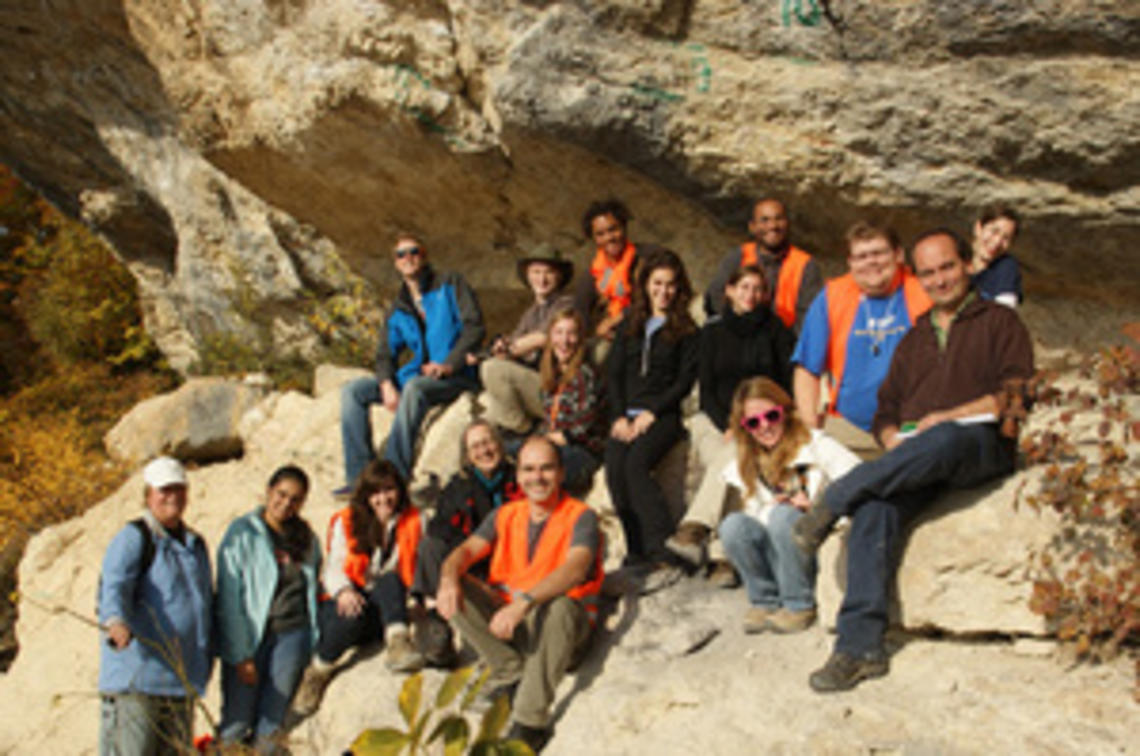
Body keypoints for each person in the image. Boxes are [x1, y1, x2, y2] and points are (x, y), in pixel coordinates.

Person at [793, 229, 1035, 692]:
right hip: (918, 457)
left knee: (943, 436)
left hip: (977, 445)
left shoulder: (998, 322)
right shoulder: (915, 337)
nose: (940, 280)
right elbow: (887, 411)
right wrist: (891, 439)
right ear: (918, 278)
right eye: (929, 273)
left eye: (947, 267)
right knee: (875, 508)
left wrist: (951, 416)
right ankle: (859, 647)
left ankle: (838, 495)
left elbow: (1016, 394)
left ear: (966, 265)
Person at [438, 436, 603, 753]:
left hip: (561, 631)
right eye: (528, 469)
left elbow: (576, 569)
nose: (537, 477)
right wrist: (448, 579)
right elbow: (464, 552)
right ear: (518, 475)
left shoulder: (581, 515)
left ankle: (530, 721)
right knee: (457, 584)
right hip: (517, 627)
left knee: (561, 607)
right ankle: (509, 671)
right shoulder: (506, 515)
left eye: (546, 469)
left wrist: (524, 604)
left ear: (561, 473)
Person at [666, 265, 796, 582]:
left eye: (757, 289)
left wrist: (752, 425)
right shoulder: (712, 332)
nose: (750, 295)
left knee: (739, 457)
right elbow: (707, 388)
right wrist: (729, 423)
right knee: (736, 460)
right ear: (730, 290)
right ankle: (724, 559)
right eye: (744, 287)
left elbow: (786, 384)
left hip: (760, 422)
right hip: (715, 420)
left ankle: (696, 528)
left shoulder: (775, 330)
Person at [339, 232, 485, 488]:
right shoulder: (399, 307)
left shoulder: (450, 284)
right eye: (401, 254)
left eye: (414, 252)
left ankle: (393, 475)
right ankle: (360, 478)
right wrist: (386, 383)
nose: (408, 258)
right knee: (353, 391)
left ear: (424, 256)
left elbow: (474, 327)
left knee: (416, 388)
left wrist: (450, 364)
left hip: (456, 376)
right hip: (418, 376)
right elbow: (385, 352)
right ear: (396, 263)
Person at [718, 377, 860, 634]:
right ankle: (765, 600)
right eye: (753, 422)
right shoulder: (749, 462)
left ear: (784, 411)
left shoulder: (816, 445)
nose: (764, 427)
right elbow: (755, 518)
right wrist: (769, 508)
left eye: (771, 416)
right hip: (779, 549)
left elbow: (858, 483)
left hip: (815, 542)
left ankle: (799, 604)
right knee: (732, 525)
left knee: (784, 517)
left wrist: (817, 510)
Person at [97, 457, 212, 756]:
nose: (172, 496)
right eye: (164, 490)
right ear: (148, 494)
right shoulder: (134, 538)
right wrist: (116, 621)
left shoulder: (194, 545)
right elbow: (114, 586)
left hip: (179, 681)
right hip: (139, 680)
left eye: (178, 488)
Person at [293, 462, 426, 717]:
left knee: (389, 580)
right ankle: (318, 671)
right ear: (366, 495)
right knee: (350, 616)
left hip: (389, 605)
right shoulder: (347, 521)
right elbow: (333, 565)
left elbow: (419, 564)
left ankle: (397, 641)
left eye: (389, 490)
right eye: (376, 492)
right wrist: (343, 590)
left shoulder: (414, 519)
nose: (383, 498)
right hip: (348, 602)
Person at [791, 221, 932, 458]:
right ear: (850, 263)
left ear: (898, 255)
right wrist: (810, 427)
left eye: (878, 253)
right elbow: (807, 368)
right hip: (849, 429)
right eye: (861, 256)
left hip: (913, 427)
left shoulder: (924, 292)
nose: (870, 262)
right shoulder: (832, 296)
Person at [605, 248, 699, 573]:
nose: (664, 291)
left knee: (635, 466)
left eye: (671, 285)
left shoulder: (686, 330)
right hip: (625, 413)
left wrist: (652, 413)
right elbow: (614, 373)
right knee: (615, 469)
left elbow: (684, 382)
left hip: (663, 415)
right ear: (645, 284)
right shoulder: (629, 323)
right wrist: (618, 415)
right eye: (657, 283)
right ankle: (636, 550)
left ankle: (663, 546)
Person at [216, 466, 321, 751]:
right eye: (281, 494)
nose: (286, 504)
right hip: (251, 636)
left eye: (295, 499)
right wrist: (240, 654)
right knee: (236, 721)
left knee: (271, 723)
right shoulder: (243, 533)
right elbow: (229, 597)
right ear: (269, 490)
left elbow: (312, 589)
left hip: (291, 636)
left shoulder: (306, 538)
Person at [412, 420, 522, 601]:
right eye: (476, 447)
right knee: (430, 546)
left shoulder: (519, 476)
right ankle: (436, 608)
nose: (484, 451)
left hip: (513, 554)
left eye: (488, 442)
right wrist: (468, 548)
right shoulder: (459, 485)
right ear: (468, 455)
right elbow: (439, 526)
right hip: (472, 558)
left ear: (499, 444)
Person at [479, 244, 576, 435]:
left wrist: (508, 350)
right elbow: (513, 341)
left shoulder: (566, 304)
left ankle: (525, 431)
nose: (542, 278)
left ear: (560, 276)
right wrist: (498, 347)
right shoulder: (530, 313)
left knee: (492, 369)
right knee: (484, 410)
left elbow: (541, 338)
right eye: (536, 272)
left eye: (549, 272)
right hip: (535, 383)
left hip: (557, 388)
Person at [703, 197, 823, 333]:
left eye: (779, 219)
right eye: (764, 220)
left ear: (788, 224)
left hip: (785, 342)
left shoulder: (806, 265)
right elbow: (716, 296)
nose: (773, 226)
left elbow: (809, 316)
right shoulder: (738, 256)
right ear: (752, 227)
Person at [529, 308, 607, 495]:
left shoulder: (585, 374)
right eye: (559, 333)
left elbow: (588, 419)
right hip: (554, 442)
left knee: (547, 471)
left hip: (581, 449)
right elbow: (549, 419)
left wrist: (564, 436)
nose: (564, 341)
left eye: (571, 334)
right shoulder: (551, 374)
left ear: (579, 339)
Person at [573, 199, 658, 355]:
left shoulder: (649, 256)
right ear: (594, 238)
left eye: (613, 229)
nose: (609, 238)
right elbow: (580, 316)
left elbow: (660, 297)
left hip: (651, 328)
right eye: (600, 234)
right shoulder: (591, 276)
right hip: (614, 341)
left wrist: (619, 317)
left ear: (624, 227)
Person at [969, 205, 1023, 308]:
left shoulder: (1006, 268)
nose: (997, 242)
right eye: (994, 231)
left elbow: (1002, 315)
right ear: (978, 228)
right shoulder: (956, 259)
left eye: (1006, 238)